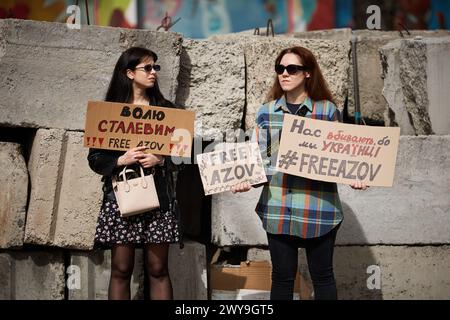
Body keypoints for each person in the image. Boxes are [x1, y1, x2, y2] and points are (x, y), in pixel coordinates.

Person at [231, 46, 367, 300]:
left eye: (291, 68)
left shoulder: (326, 111)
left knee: (323, 276)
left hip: (319, 208)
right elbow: (258, 158)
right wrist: (244, 180)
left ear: (307, 73)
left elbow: (341, 157)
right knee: (282, 278)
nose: (284, 73)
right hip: (278, 207)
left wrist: (354, 175)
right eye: (280, 68)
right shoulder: (266, 111)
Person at [87, 47, 181, 300]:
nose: (153, 73)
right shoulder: (109, 111)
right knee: (120, 269)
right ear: (129, 73)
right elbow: (95, 159)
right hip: (121, 198)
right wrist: (121, 159)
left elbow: (184, 154)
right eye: (147, 68)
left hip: (159, 199)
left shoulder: (167, 109)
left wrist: (161, 160)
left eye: (155, 68)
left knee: (158, 269)